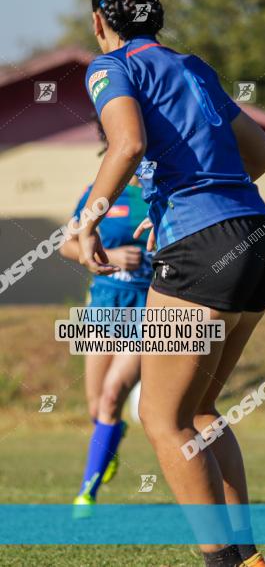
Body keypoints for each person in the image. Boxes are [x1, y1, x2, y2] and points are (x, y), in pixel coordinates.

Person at [79, 0, 265, 565]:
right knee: (200, 412)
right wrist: (190, 208)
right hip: (257, 234)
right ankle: (248, 558)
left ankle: (227, 562)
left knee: (160, 417)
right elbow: (263, 155)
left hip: (203, 246)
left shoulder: (111, 65)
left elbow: (126, 145)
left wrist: (88, 223)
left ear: (101, 20)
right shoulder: (191, 65)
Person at [61, 121, 151, 512]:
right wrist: (108, 257)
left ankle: (86, 493)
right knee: (97, 407)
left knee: (114, 395)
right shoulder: (97, 195)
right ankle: (112, 439)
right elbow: (67, 244)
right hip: (103, 306)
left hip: (151, 309)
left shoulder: (159, 193)